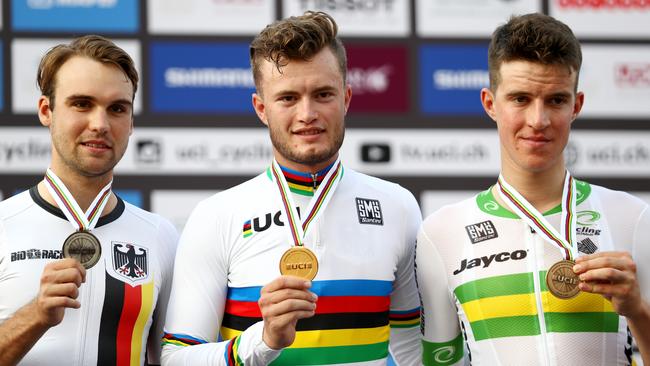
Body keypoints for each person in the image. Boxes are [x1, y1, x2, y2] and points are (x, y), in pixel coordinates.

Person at [161, 11, 422, 366]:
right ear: (261, 108)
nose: (307, 113)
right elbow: (176, 358)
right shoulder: (217, 216)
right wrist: (261, 340)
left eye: (323, 94)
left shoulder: (397, 207)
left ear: (345, 99)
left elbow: (412, 351)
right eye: (287, 98)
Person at [416, 13, 650, 365]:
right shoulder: (441, 233)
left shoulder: (633, 219)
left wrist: (637, 311)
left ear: (577, 105)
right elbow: (440, 360)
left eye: (556, 100)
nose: (538, 121)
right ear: (490, 104)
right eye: (521, 99)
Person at [0, 35, 178, 365]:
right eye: (82, 104)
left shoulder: (160, 235)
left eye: (117, 109)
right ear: (46, 111)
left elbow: (178, 359)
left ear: (131, 122)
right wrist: (36, 314)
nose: (100, 124)